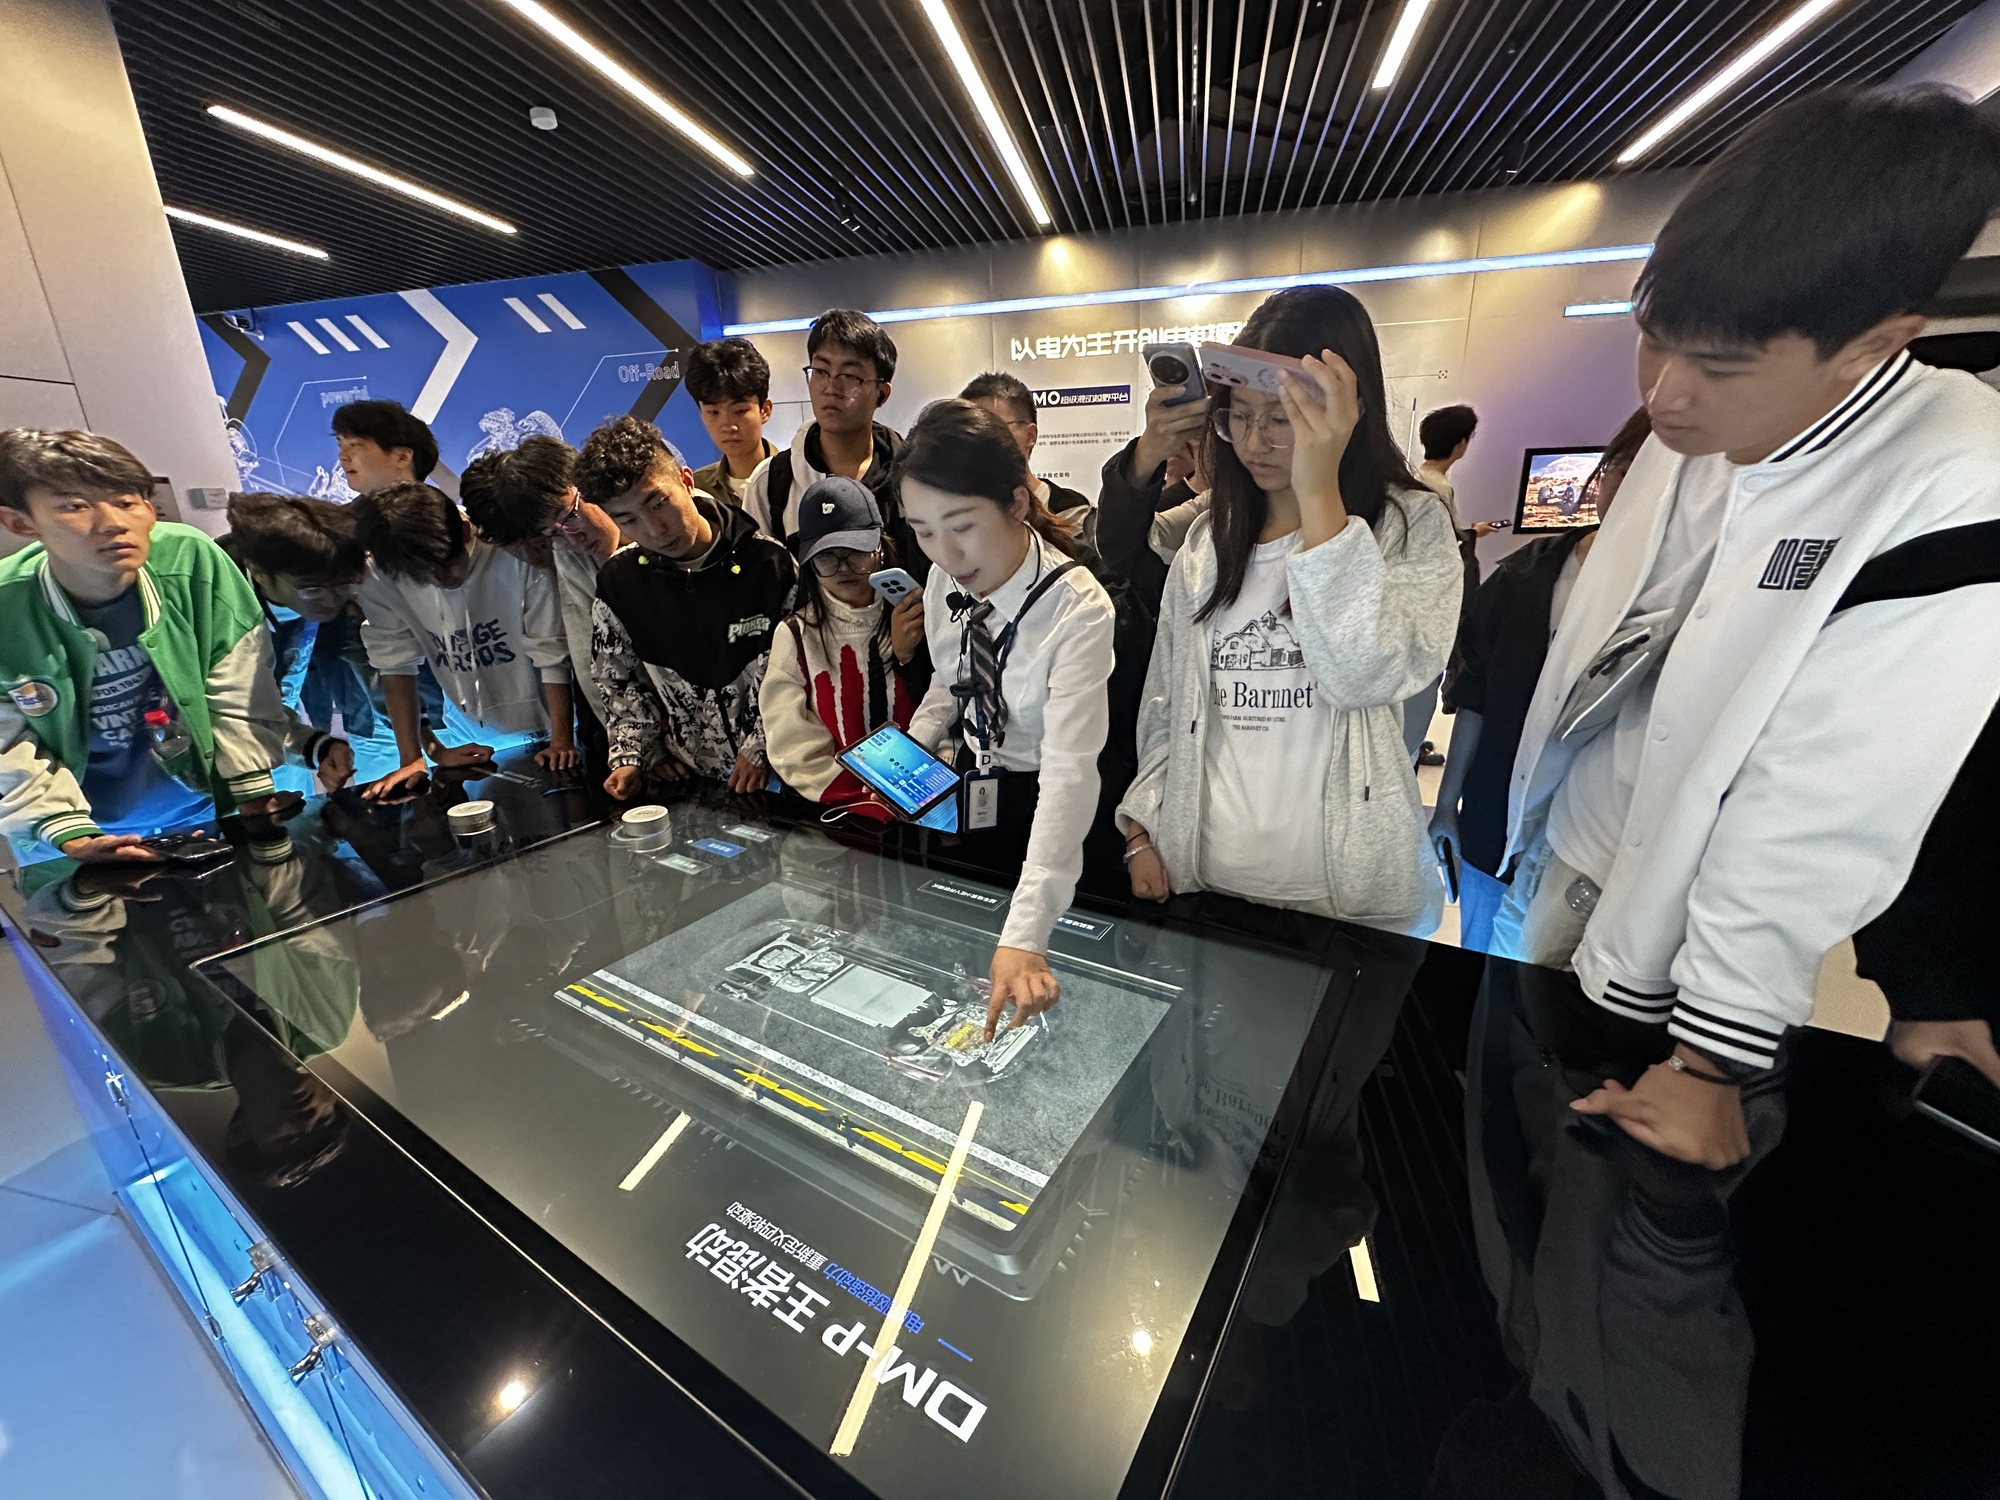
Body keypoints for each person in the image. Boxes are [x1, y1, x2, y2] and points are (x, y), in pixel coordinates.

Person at [1495, 86, 2000, 1170]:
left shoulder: (1952, 480)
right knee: (1508, 1152)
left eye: (1718, 367)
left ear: (1874, 345)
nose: (1666, 398)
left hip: (1682, 953)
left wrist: (1710, 1057)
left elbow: (1826, 794)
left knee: (1606, 1212)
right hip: (1566, 862)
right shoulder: (1688, 432)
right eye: (1652, 344)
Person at [1115, 287, 1463, 935]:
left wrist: (1319, 489)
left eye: (1283, 419)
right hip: (1207, 881)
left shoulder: (1409, 525)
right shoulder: (1208, 541)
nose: (1255, 442)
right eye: (1240, 416)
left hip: (1351, 902)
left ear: (1346, 410)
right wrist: (1141, 826)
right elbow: (1166, 700)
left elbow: (1363, 674)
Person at [899, 399, 1116, 1040]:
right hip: (977, 786)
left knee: (1040, 978)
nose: (945, 553)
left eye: (962, 525)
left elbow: (1070, 774)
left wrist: (1026, 934)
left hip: (1049, 808)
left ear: (1017, 503)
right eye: (922, 530)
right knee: (964, 967)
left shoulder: (1078, 608)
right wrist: (911, 749)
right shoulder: (944, 579)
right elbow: (950, 679)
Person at [0, 429, 299, 858]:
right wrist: (71, 837)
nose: (113, 523)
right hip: (62, 832)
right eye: (75, 506)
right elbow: (7, 742)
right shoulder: (8, 606)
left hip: (201, 807)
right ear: (21, 522)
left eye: (126, 501)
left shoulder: (190, 558)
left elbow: (237, 678)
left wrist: (252, 796)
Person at [1429, 409, 1650, 953]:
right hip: (1495, 814)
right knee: (1481, 954)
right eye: (1622, 470)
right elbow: (1476, 695)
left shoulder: (1680, 593)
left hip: (1604, 838)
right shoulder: (1528, 575)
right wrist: (1448, 803)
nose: (1630, 490)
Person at [574, 415, 797, 797]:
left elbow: (800, 667)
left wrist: (759, 748)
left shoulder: (768, 563)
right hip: (694, 782)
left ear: (686, 480)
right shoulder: (619, 582)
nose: (654, 530)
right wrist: (631, 756)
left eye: (659, 504)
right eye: (628, 519)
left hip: (786, 770)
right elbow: (618, 680)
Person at [351, 482, 578, 798]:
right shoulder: (383, 570)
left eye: (445, 565)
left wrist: (562, 739)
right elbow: (394, 663)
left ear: (465, 530)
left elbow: (550, 648)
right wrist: (416, 756)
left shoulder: (507, 547)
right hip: (468, 734)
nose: (440, 581)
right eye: (422, 578)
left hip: (561, 721)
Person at [759, 477, 927, 813]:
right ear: (809, 563)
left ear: (880, 548)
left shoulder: (921, 614)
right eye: (826, 557)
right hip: (843, 816)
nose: (843, 569)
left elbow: (948, 715)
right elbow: (793, 751)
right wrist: (871, 799)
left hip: (928, 802)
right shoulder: (795, 634)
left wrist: (911, 656)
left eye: (856, 553)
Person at [458, 437, 624, 773]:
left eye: (539, 537)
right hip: (613, 715)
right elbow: (581, 655)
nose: (536, 552)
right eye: (547, 534)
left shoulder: (585, 541)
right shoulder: (567, 556)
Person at [744, 310, 921, 576]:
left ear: (882, 394)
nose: (831, 387)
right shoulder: (771, 483)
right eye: (820, 371)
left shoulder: (914, 477)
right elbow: (762, 580)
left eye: (850, 376)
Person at [1407, 403, 1496, 764]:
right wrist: (1467, 539)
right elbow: (1440, 550)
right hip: (1428, 600)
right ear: (1460, 444)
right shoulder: (1438, 488)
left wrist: (1470, 532)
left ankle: (1412, 746)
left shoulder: (1415, 478)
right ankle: (1410, 750)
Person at [959, 371, 1096, 545]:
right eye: (969, 432)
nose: (980, 442)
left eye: (993, 429)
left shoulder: (1073, 515)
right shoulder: (956, 517)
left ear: (1030, 435)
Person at [685, 337, 777, 509]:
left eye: (739, 411)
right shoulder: (697, 490)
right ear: (701, 414)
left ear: (765, 410)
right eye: (713, 412)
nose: (728, 425)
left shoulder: (797, 474)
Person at [331, 399, 440, 494]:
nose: (342, 456)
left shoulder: (441, 511)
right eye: (340, 445)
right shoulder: (341, 513)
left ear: (402, 457)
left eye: (354, 445)